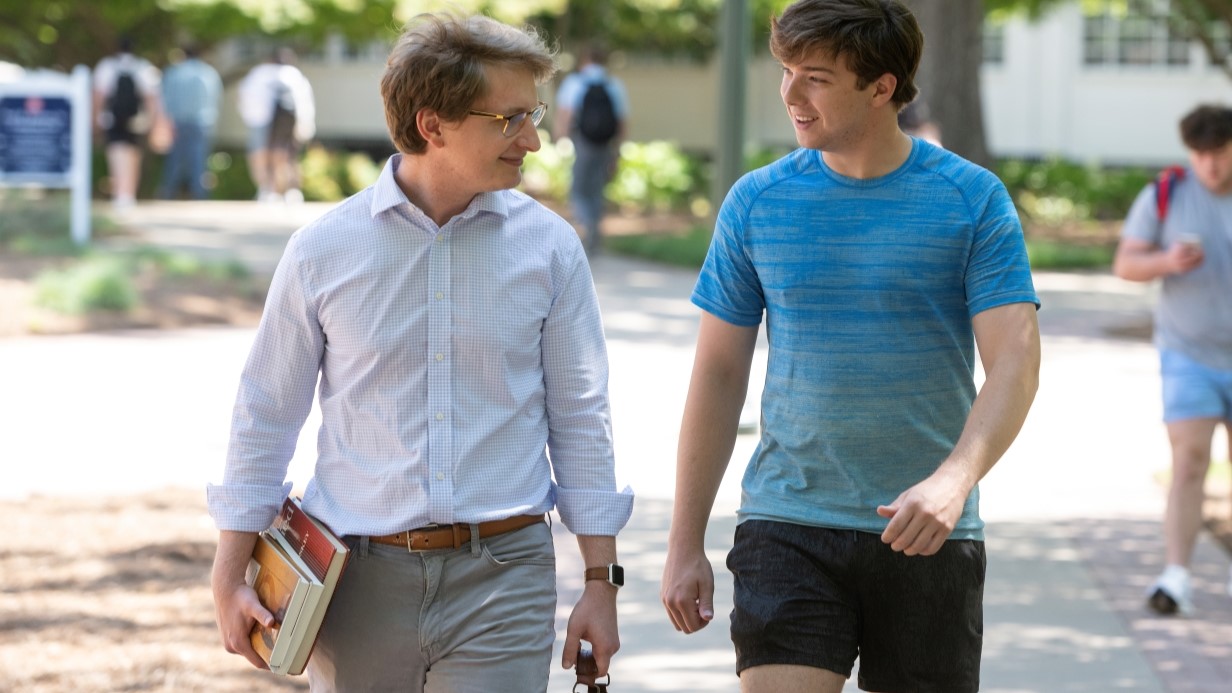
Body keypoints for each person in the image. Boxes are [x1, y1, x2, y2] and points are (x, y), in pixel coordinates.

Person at [207, 12, 633, 692]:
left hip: (504, 578)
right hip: (357, 585)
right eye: (510, 119)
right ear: (433, 125)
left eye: (535, 115)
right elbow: (266, 410)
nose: (534, 139)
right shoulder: (322, 251)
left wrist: (599, 581)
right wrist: (230, 570)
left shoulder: (550, 249)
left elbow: (583, 416)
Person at [659, 1, 1041, 691]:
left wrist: (954, 479)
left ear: (882, 85)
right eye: (785, 71)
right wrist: (684, 542)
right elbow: (718, 372)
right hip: (789, 522)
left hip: (930, 530)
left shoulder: (972, 199)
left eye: (815, 77)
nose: (790, 94)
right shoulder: (757, 202)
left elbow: (1015, 358)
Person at [1114, 104, 1232, 616]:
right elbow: (1126, 263)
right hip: (1188, 354)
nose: (1211, 165)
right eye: (1201, 154)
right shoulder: (1167, 195)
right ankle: (1177, 575)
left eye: (1220, 153)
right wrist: (1166, 261)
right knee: (1188, 464)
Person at [552, 43, 629, 254]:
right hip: (605, 145)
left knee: (578, 189)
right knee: (596, 190)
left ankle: (585, 227)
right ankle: (595, 232)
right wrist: (618, 151)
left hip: (583, 143)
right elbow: (622, 122)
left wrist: (561, 139)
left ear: (584, 60)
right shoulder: (614, 85)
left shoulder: (575, 82)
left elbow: (566, 114)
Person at [236, 48, 315, 204]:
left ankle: (267, 189)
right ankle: (290, 191)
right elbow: (305, 102)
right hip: (289, 123)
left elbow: (245, 97)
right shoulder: (294, 76)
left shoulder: (259, 73)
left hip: (261, 121)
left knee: (261, 156)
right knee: (287, 158)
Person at [93, 36, 162, 211]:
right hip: (137, 120)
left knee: (116, 154)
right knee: (133, 156)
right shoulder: (143, 67)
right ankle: (129, 194)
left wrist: (94, 120)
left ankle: (120, 195)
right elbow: (151, 100)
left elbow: (99, 97)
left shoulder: (107, 66)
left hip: (112, 119)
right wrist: (153, 122)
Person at [157, 44, 222, 200]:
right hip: (202, 121)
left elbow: (165, 98)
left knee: (174, 159)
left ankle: (168, 192)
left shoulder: (174, 72)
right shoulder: (209, 73)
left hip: (177, 121)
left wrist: (166, 121)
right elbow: (215, 99)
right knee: (199, 158)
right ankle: (199, 194)